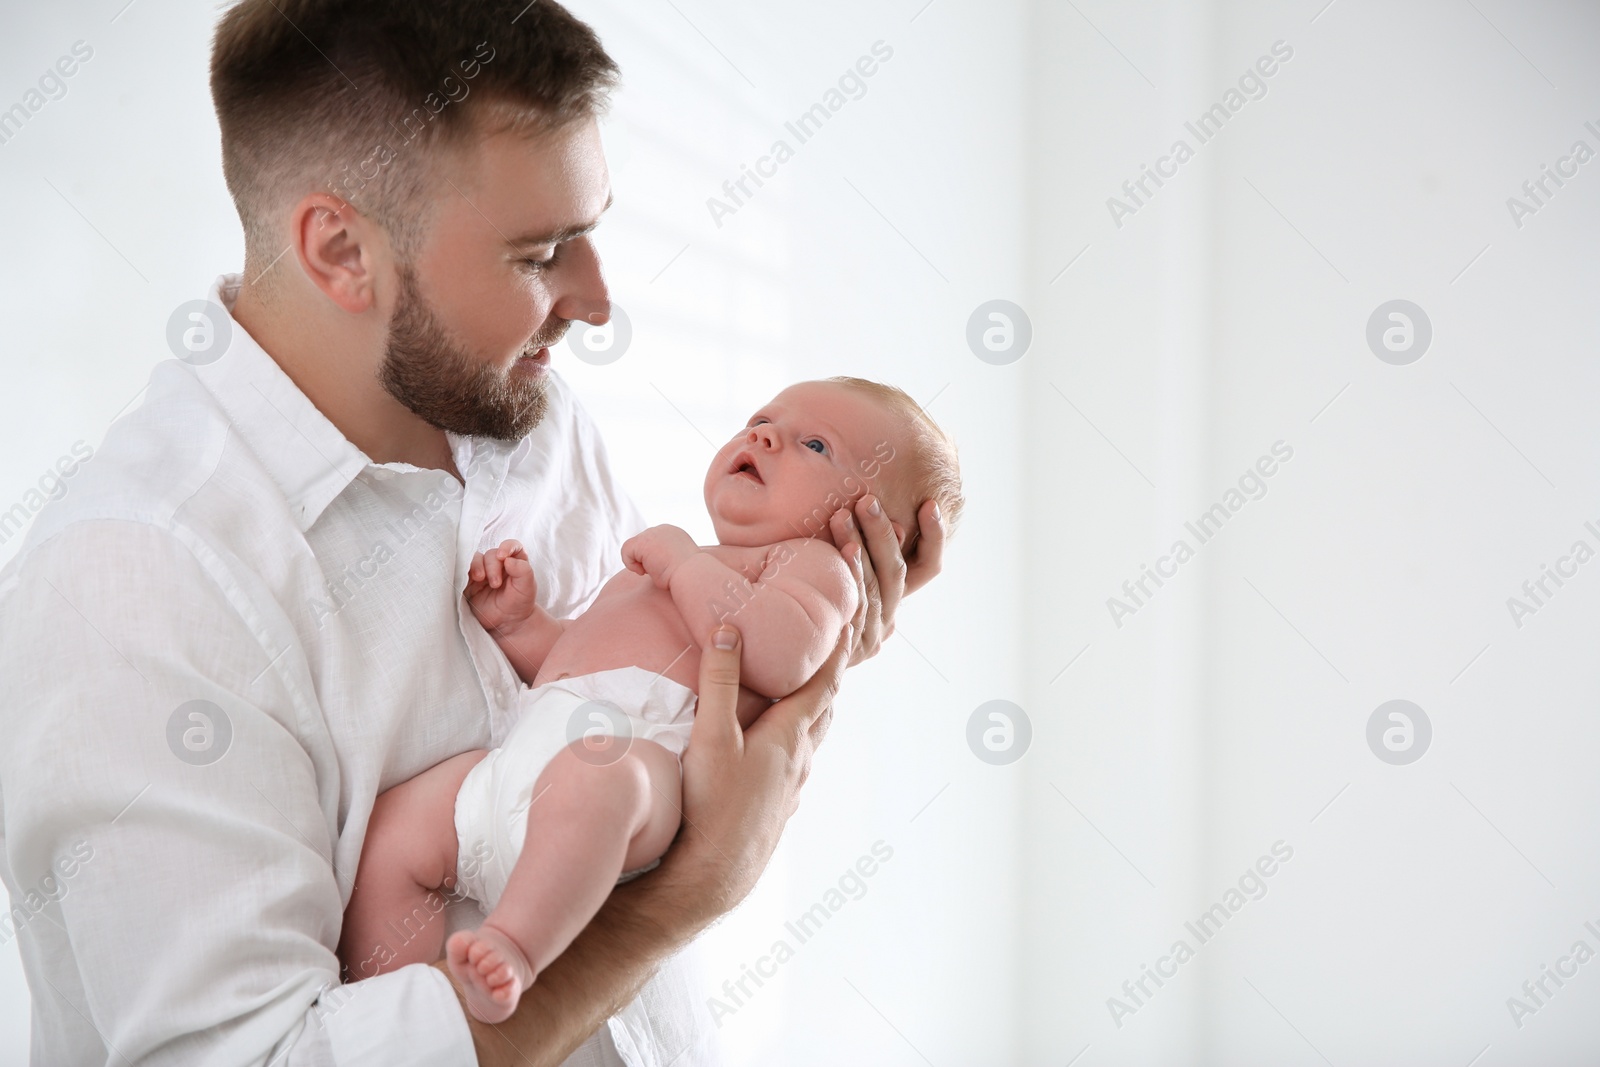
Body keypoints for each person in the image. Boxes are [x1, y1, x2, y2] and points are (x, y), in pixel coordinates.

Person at [0, 1, 944, 1064]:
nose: (596, 301)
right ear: (342, 250)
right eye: (541, 253)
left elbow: (676, 685)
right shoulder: (138, 577)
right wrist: (693, 893)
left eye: (593, 232)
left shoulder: (538, 428)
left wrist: (824, 628)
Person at [339, 378, 964, 1023]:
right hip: (519, 771)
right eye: (761, 418)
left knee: (600, 776)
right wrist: (524, 627)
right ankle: (388, 1016)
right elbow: (578, 669)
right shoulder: (684, 562)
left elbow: (776, 654)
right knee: (392, 835)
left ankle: (513, 948)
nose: (764, 436)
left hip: (628, 784)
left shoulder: (811, 569)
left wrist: (684, 566)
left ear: (867, 532)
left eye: (814, 444)